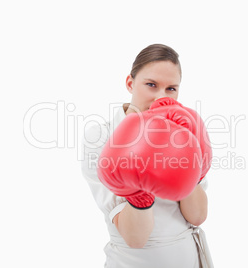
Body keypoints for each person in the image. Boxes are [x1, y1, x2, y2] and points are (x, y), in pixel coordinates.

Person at [81, 44, 214, 268]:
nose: (160, 97)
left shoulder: (183, 131)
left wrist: (191, 164)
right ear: (130, 83)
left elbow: (197, 216)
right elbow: (135, 238)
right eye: (151, 85)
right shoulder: (102, 136)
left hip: (189, 259)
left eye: (171, 88)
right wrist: (139, 193)